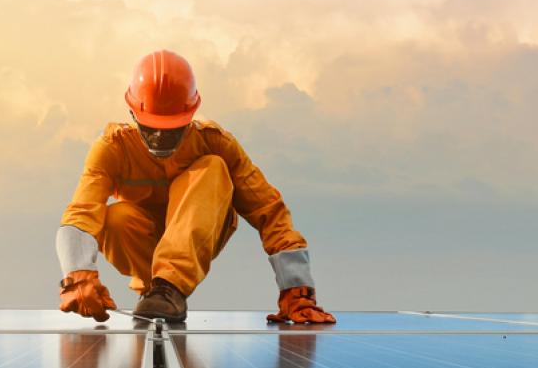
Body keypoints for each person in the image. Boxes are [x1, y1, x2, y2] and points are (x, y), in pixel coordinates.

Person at [56, 50, 336, 325]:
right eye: (151, 128)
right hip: (144, 247)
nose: (160, 138)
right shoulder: (112, 149)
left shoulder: (216, 143)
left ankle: (169, 287)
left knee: (213, 167)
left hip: (202, 229)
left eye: (171, 129)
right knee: (114, 217)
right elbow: (82, 212)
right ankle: (156, 290)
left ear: (191, 114)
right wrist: (77, 274)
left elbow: (268, 210)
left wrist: (297, 290)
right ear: (132, 113)